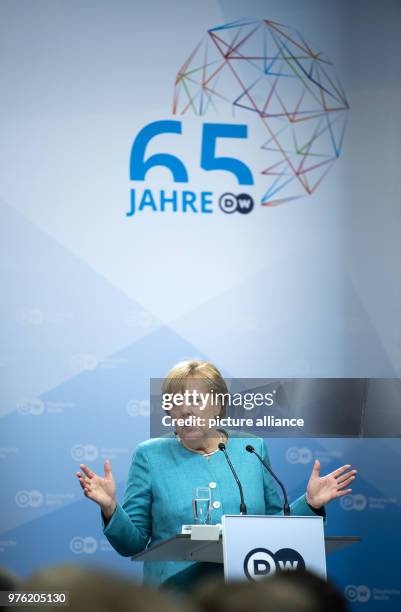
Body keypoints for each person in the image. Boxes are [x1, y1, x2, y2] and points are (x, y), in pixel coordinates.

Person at [76, 360, 357, 590]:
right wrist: (111, 508)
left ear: (218, 405)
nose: (186, 409)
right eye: (176, 401)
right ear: (168, 409)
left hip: (243, 595)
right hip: (174, 596)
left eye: (196, 400)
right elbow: (132, 543)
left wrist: (309, 503)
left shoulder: (251, 449)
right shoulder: (150, 455)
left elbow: (275, 528)